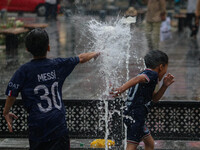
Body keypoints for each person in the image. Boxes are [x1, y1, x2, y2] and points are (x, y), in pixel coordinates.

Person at [3, 28, 100, 150]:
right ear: (48, 48)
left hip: (37, 128)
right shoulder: (57, 65)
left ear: (27, 49)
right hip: (58, 126)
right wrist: (95, 53)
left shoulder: (24, 71)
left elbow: (11, 94)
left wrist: (6, 112)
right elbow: (80, 58)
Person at [111, 50, 174, 150]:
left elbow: (155, 98)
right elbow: (138, 79)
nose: (166, 71)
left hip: (133, 115)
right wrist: (121, 89)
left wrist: (164, 86)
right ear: (161, 67)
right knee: (131, 146)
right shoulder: (153, 75)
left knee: (149, 144)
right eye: (166, 68)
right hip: (136, 117)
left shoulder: (147, 74)